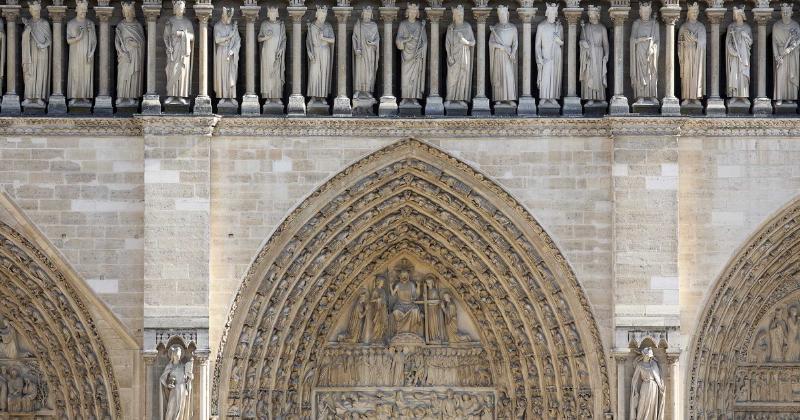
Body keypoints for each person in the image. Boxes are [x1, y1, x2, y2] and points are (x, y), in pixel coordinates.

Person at [164, 0, 194, 104]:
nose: (179, 10)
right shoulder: (170, 21)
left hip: (183, 52)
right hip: (172, 51)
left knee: (182, 72)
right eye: (177, 8)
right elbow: (166, 37)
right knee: (171, 71)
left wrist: (182, 34)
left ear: (184, 9)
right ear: (174, 9)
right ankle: (171, 95)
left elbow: (192, 37)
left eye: (181, 8)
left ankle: (181, 95)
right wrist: (168, 47)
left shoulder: (187, 22)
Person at [396, 4, 427, 105]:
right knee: (405, 76)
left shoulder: (420, 26)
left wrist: (421, 50)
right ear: (407, 12)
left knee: (415, 77)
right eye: (411, 12)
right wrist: (407, 40)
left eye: (415, 12)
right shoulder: (403, 24)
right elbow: (398, 40)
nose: (413, 14)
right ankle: (405, 97)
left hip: (417, 56)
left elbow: (425, 41)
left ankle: (414, 97)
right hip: (406, 55)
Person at [579, 6, 608, 103]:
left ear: (597, 14)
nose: (590, 15)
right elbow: (581, 41)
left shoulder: (602, 28)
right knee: (589, 74)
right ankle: (590, 97)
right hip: (589, 54)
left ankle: (600, 97)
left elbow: (606, 44)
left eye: (592, 13)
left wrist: (607, 54)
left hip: (599, 54)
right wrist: (583, 44)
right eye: (589, 14)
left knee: (598, 75)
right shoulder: (586, 27)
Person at [630, 347, 665, 420]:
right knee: (642, 405)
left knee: (651, 406)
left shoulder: (654, 364)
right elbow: (635, 379)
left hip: (653, 387)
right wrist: (635, 391)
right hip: (645, 385)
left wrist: (661, 388)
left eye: (649, 356)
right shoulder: (639, 365)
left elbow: (657, 377)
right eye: (647, 355)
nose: (648, 357)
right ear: (644, 355)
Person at [160, 345, 193, 420]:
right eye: (177, 355)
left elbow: (188, 378)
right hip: (174, 390)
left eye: (179, 355)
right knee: (171, 408)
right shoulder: (170, 366)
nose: (178, 357)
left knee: (180, 408)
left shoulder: (183, 366)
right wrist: (168, 385)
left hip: (182, 388)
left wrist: (190, 377)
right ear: (173, 355)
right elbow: (162, 378)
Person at [726, 7, 752, 100]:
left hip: (744, 56)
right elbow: (728, 42)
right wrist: (733, 52)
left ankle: (744, 96)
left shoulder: (747, 28)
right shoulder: (731, 27)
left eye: (739, 14)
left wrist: (746, 36)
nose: (737, 16)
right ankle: (735, 96)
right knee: (734, 74)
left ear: (742, 15)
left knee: (743, 75)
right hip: (734, 55)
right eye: (736, 15)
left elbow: (751, 42)